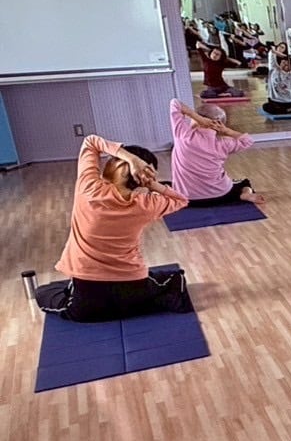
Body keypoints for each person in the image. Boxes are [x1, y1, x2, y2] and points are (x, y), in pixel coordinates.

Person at [36, 136, 193, 322]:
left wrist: (131, 158)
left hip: (88, 304)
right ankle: (151, 300)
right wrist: (152, 184)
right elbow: (181, 200)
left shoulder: (89, 188)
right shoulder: (146, 205)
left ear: (120, 166)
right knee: (162, 280)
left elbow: (91, 141)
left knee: (43, 292)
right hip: (133, 290)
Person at [168, 100, 261, 206]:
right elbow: (247, 141)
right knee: (244, 183)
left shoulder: (183, 135)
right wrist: (226, 130)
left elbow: (175, 103)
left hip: (186, 198)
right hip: (220, 195)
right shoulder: (225, 143)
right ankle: (245, 194)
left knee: (165, 185)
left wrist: (198, 118)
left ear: (197, 120)